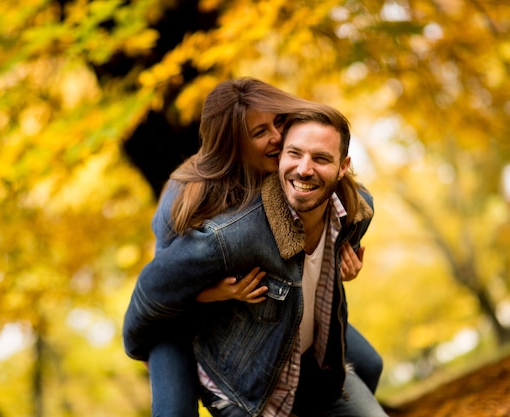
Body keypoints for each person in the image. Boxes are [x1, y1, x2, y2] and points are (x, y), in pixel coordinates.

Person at [124, 85, 387, 415]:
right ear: (235, 143)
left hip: (268, 310)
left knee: (369, 364)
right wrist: (211, 294)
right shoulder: (189, 194)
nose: (278, 136)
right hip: (180, 318)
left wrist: (342, 260)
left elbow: (334, 223)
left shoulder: (291, 176)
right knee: (174, 410)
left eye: (279, 122)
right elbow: (164, 282)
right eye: (260, 132)